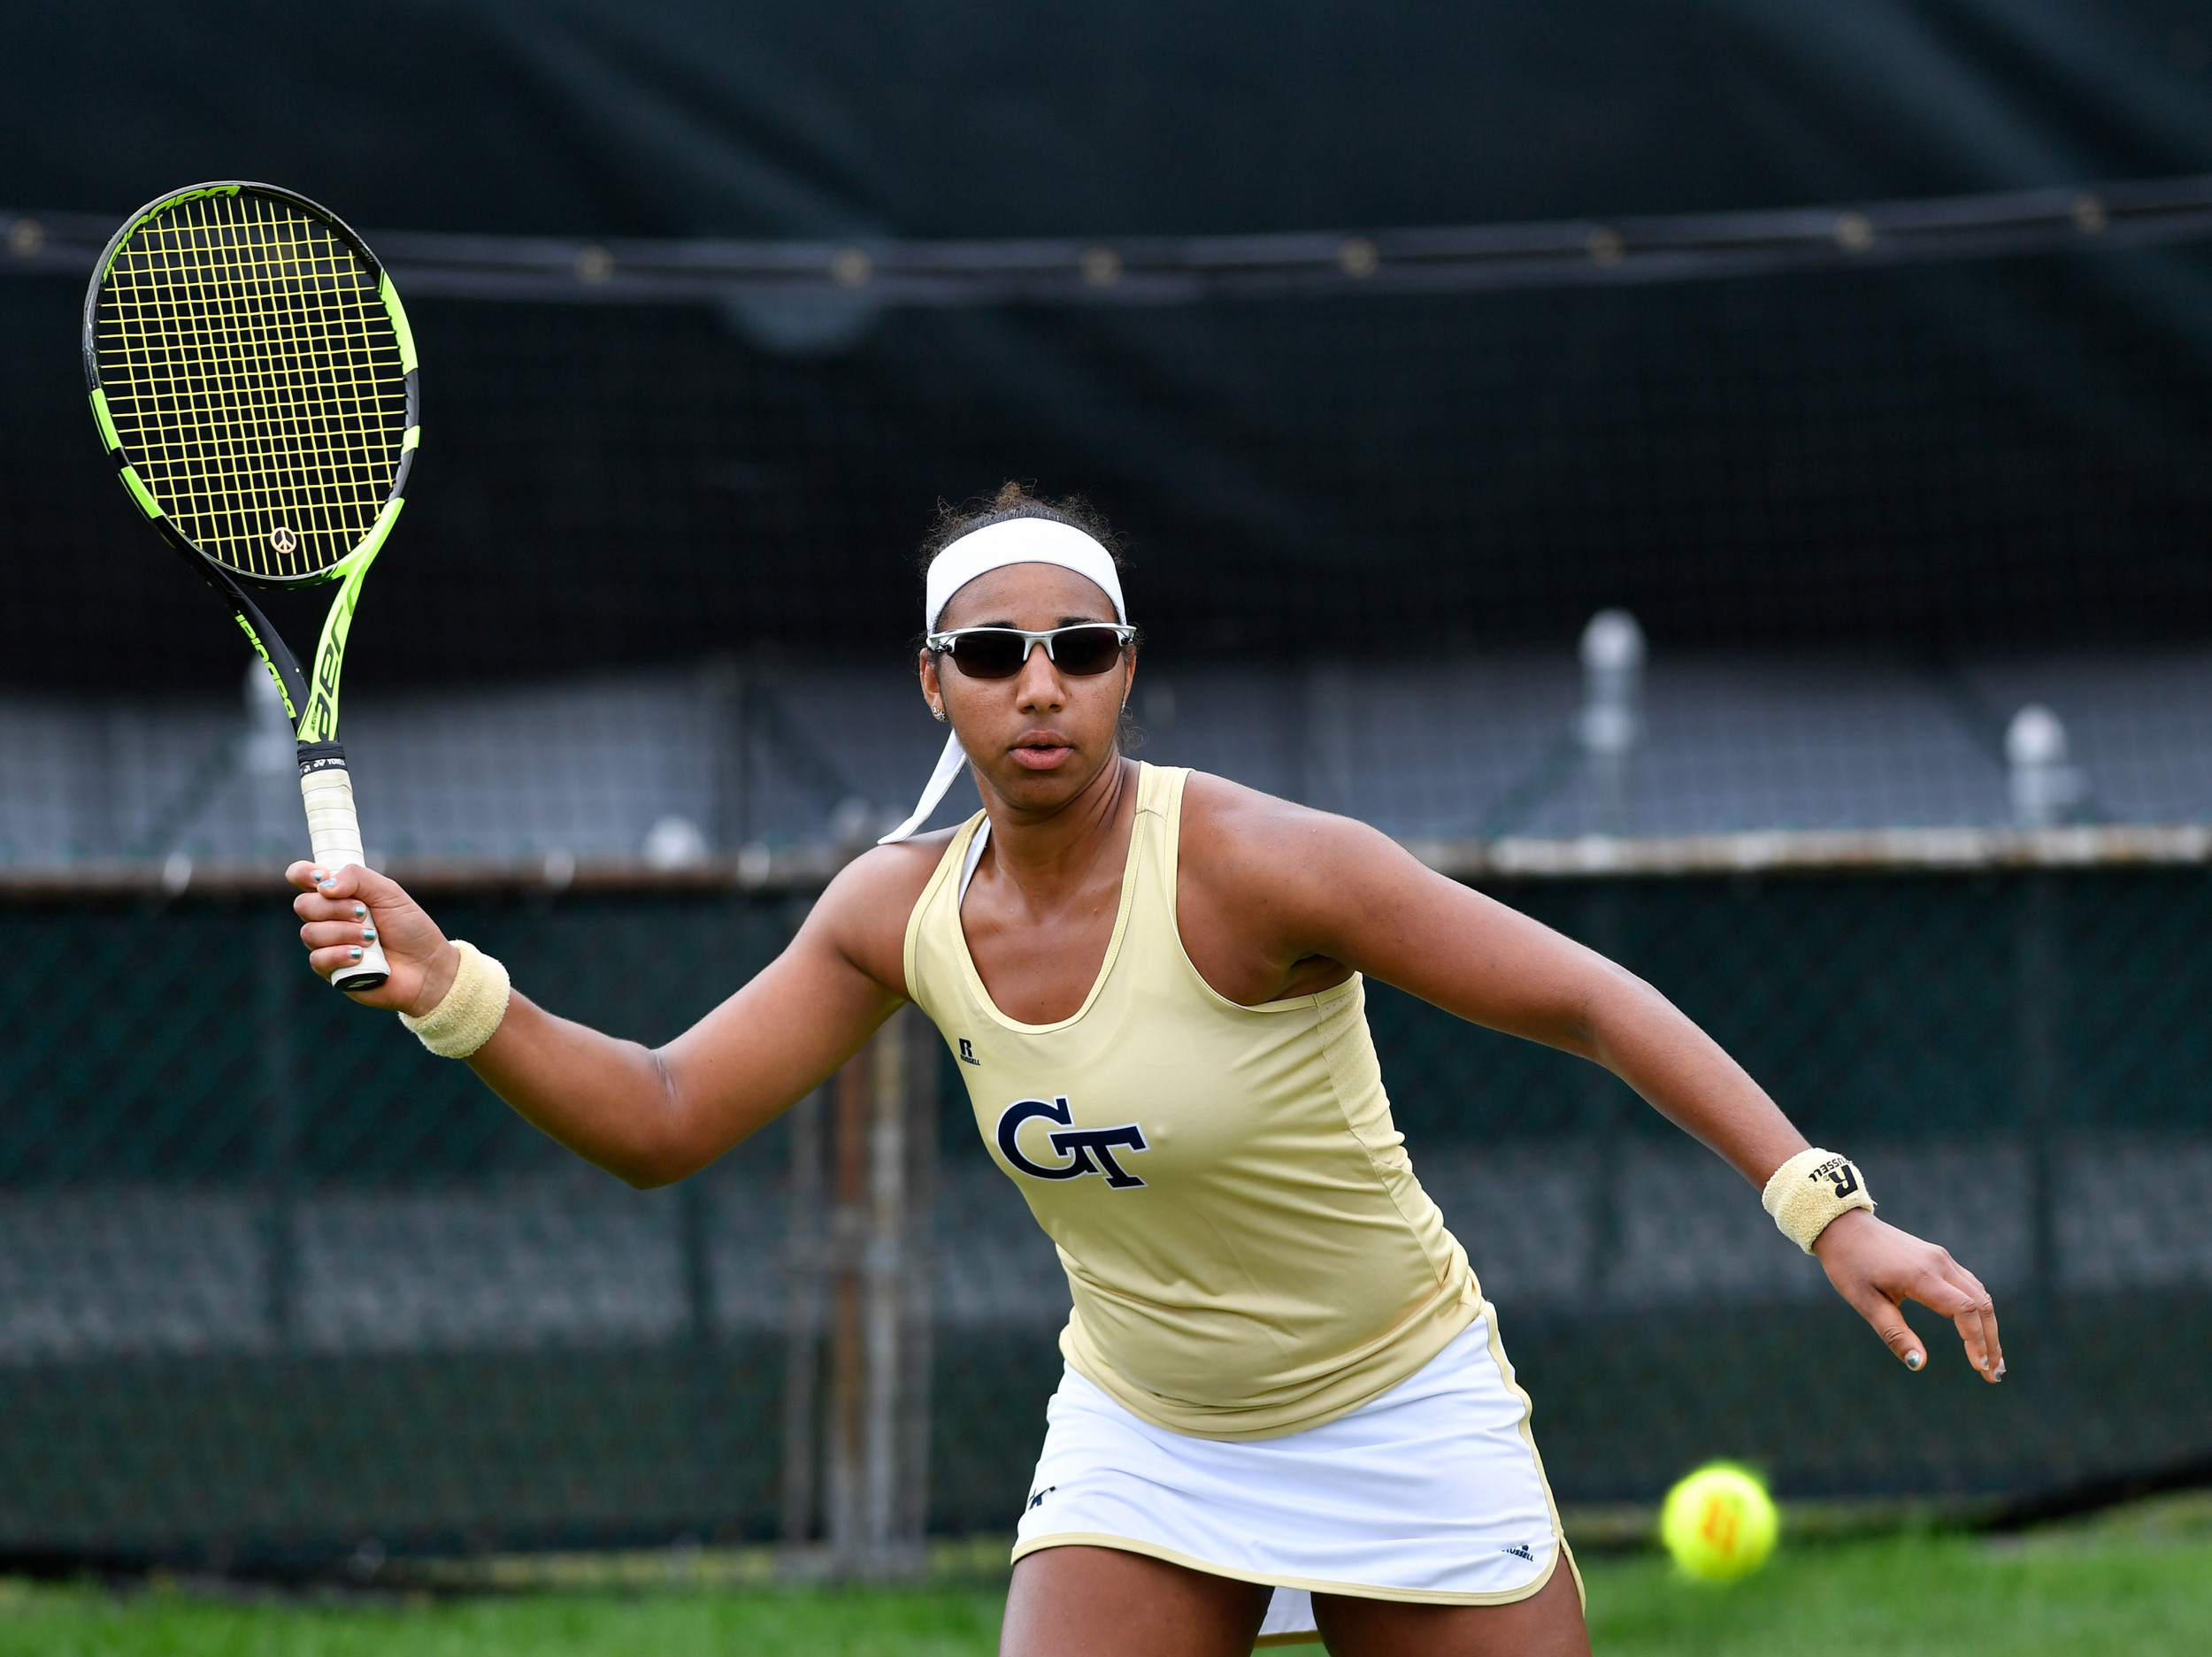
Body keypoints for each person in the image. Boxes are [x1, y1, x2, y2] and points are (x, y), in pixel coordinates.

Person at [289, 484, 2003, 1657]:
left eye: (1078, 649)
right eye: (991, 654)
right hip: (1147, 1431)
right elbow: (663, 1118)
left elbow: (1588, 998)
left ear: (1124, 670)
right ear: (934, 687)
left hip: (1398, 1405)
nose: (1038, 687)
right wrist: (456, 992)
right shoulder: (895, 912)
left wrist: (1820, 1208)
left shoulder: (1260, 863)